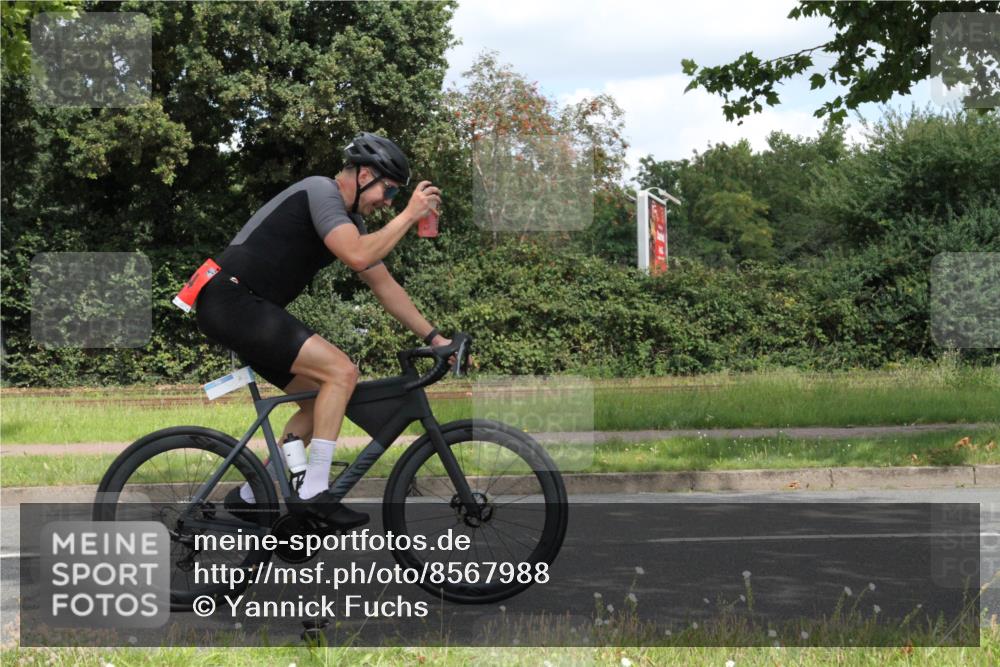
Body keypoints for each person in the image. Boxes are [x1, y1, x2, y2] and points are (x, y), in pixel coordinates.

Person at [194, 132, 444, 528]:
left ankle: (248, 495)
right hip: (232, 301)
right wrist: (410, 214)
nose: (387, 203)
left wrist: (435, 338)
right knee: (341, 372)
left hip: (245, 309)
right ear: (364, 174)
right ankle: (314, 491)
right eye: (390, 191)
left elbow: (383, 285)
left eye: (395, 197)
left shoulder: (350, 221)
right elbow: (358, 253)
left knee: (317, 403)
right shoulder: (321, 192)